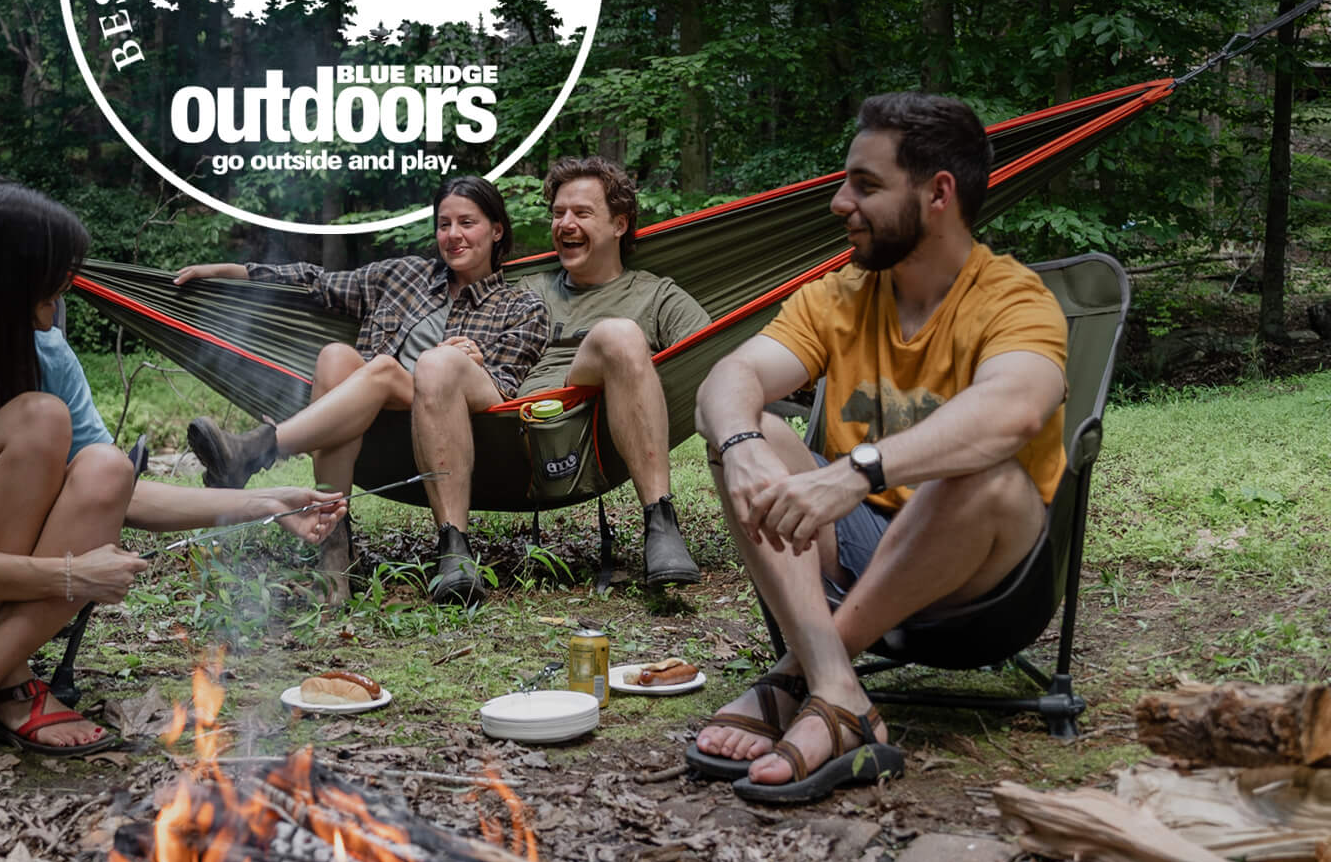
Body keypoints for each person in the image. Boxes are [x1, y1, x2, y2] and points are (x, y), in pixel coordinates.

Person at [0, 180, 344, 774]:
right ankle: (3, 686)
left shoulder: (46, 354)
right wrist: (72, 574)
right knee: (40, 418)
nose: (60, 302)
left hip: (1, 590)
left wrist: (267, 502)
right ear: (3, 286)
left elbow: (123, 495)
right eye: (51, 289)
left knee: (106, 463)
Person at [690, 92, 1069, 804]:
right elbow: (728, 376)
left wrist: (857, 472)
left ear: (938, 194)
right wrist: (740, 442)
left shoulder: (1015, 299)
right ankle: (837, 692)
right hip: (856, 549)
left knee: (982, 469)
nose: (839, 203)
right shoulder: (843, 294)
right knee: (755, 431)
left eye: (865, 185)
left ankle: (793, 678)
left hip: (981, 585)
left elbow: (1015, 409)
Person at [174, 175, 548, 603]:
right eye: (444, 224)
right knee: (336, 356)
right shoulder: (403, 276)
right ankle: (334, 568)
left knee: (393, 368)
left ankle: (258, 448)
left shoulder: (521, 305)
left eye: (468, 222)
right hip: (372, 424)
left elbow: (505, 391)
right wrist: (229, 272)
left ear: (497, 230)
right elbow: (316, 282)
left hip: (458, 427)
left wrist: (467, 361)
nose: (453, 235)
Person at [410, 155, 710, 602]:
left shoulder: (655, 294)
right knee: (435, 362)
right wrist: (469, 350)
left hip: (593, 424)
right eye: (558, 214)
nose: (564, 224)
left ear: (620, 225)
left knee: (619, 333)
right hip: (506, 422)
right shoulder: (525, 287)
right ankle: (454, 549)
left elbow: (716, 355)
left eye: (582, 213)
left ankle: (661, 523)